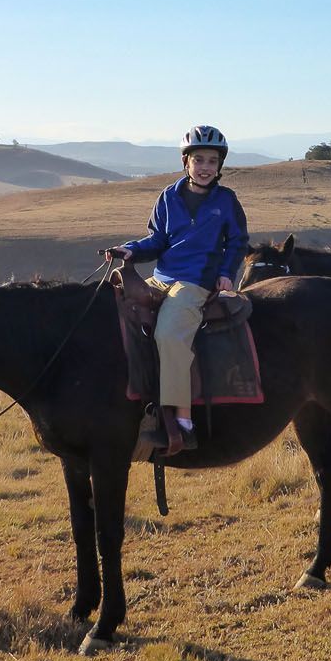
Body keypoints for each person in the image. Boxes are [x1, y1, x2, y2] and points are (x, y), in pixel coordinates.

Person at [106, 125, 249, 451]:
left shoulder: (226, 200)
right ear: (186, 162)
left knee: (169, 334)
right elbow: (157, 240)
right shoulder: (169, 197)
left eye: (212, 161)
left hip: (195, 282)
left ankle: (181, 420)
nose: (205, 167)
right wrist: (131, 250)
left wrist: (227, 273)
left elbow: (238, 242)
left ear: (219, 166)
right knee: (114, 311)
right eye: (198, 159)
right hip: (161, 277)